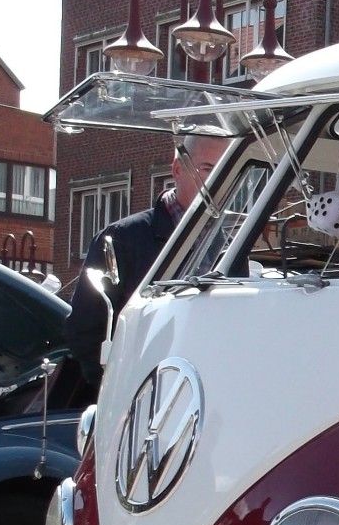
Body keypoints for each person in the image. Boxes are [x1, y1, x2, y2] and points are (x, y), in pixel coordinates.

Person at [65, 131, 229, 377]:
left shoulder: (227, 243)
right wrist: (117, 390)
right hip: (139, 393)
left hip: (203, 387)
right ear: (177, 170)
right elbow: (84, 329)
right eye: (207, 169)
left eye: (227, 170)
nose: (219, 180)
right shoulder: (121, 239)